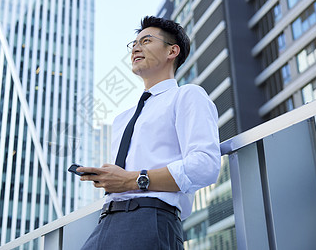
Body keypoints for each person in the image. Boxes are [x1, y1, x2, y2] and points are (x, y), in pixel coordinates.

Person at [78, 16, 221, 250]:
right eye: (133, 44)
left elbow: (205, 165)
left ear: (172, 51)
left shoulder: (187, 96)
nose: (135, 47)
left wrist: (131, 179)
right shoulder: (122, 119)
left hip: (151, 219)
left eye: (145, 41)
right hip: (106, 221)